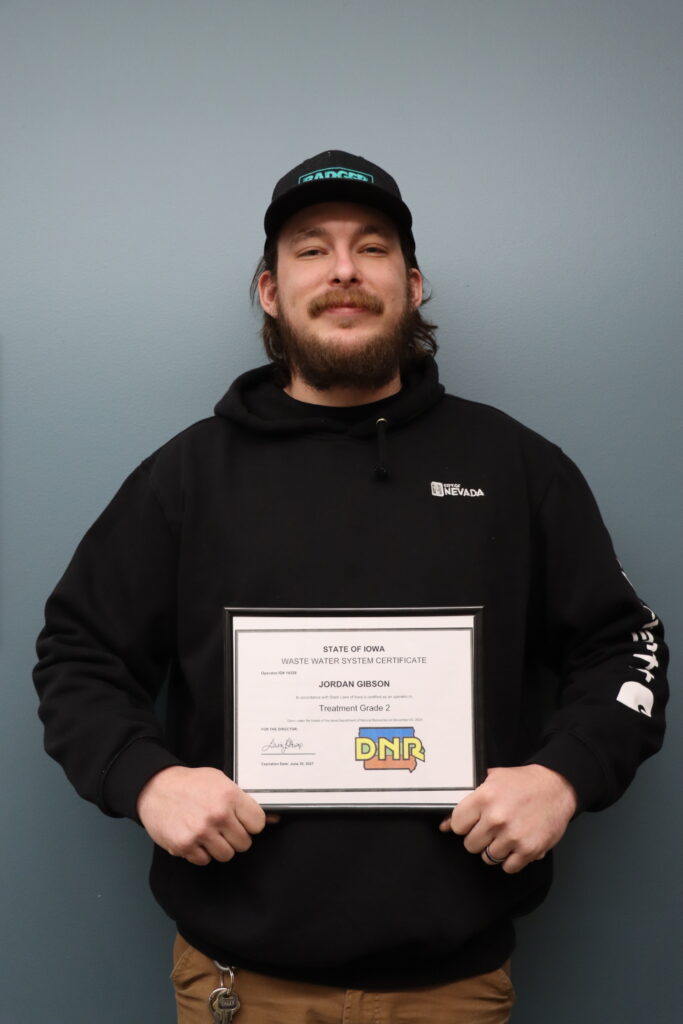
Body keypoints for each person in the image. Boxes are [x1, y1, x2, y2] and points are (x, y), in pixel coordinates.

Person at [34, 150, 668, 1024]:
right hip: (236, 985)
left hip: (456, 988)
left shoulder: (514, 467)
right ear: (269, 290)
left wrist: (563, 775)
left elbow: (624, 644)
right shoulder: (186, 479)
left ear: (412, 286)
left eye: (371, 249)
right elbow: (77, 653)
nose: (342, 271)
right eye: (310, 249)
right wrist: (145, 779)